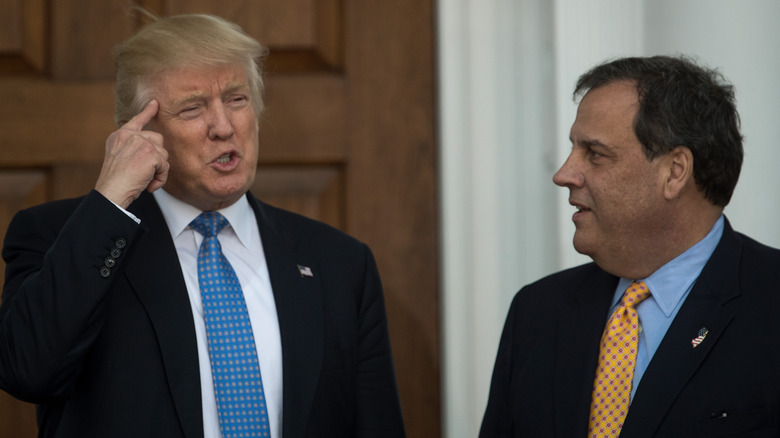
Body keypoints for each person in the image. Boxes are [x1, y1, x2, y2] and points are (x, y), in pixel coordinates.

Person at [0, 13, 405, 438]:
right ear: (141, 132)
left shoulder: (340, 263)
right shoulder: (63, 238)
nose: (224, 127)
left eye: (237, 99)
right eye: (193, 108)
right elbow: (27, 371)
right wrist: (111, 204)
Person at [479, 55, 780, 437]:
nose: (564, 174)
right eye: (573, 149)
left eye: (595, 154)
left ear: (674, 172)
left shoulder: (770, 302)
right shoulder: (537, 313)